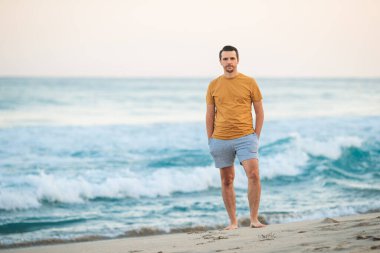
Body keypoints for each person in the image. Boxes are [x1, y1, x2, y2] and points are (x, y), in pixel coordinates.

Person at [205, 45, 265, 230]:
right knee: (227, 180)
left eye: (232, 58)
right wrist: (211, 140)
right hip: (220, 139)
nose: (229, 62)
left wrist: (256, 136)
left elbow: (259, 112)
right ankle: (233, 222)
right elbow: (209, 114)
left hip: (246, 137)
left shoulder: (249, 82)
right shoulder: (214, 85)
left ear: (237, 60)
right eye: (225, 59)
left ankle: (254, 219)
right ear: (220, 61)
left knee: (253, 175)